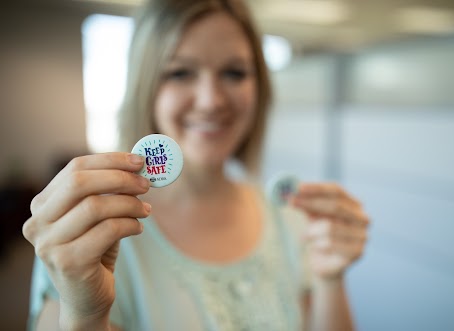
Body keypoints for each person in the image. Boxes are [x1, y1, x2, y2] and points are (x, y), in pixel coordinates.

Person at [22, 0, 370, 330]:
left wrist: (329, 278)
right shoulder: (89, 237)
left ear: (259, 88)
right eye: (180, 72)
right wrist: (84, 315)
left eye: (234, 73)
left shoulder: (290, 218)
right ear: (146, 87)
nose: (211, 100)